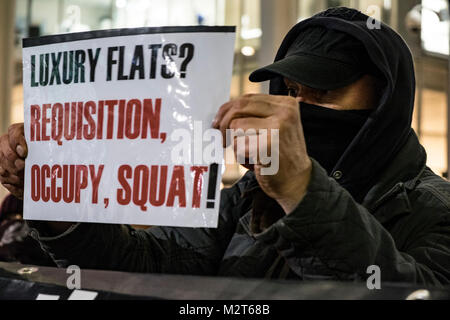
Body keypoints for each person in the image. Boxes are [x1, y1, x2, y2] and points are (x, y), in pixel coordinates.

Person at [0, 7, 449, 285]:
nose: (300, 108)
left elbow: (408, 287)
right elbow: (143, 266)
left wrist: (301, 192)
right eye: (291, 91)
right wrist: (54, 196)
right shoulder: (247, 196)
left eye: (325, 92)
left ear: (386, 102)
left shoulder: (433, 208)